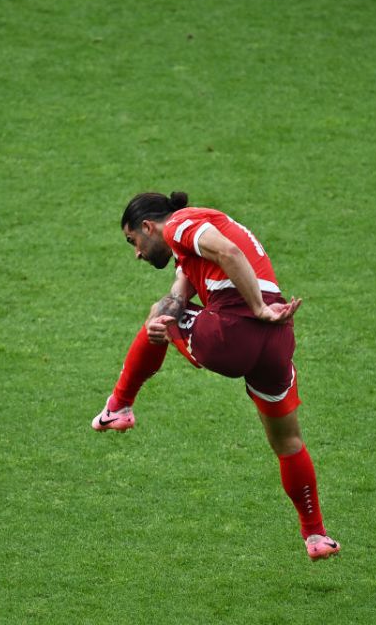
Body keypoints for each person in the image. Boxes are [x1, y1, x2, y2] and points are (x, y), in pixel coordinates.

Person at [91, 190, 339, 560]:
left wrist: (257, 308)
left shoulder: (179, 225)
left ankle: (119, 406)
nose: (138, 253)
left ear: (148, 226)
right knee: (287, 442)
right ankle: (316, 536)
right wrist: (168, 322)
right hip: (276, 341)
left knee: (157, 311)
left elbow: (230, 254)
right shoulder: (191, 250)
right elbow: (178, 296)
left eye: (134, 242)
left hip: (238, 330)